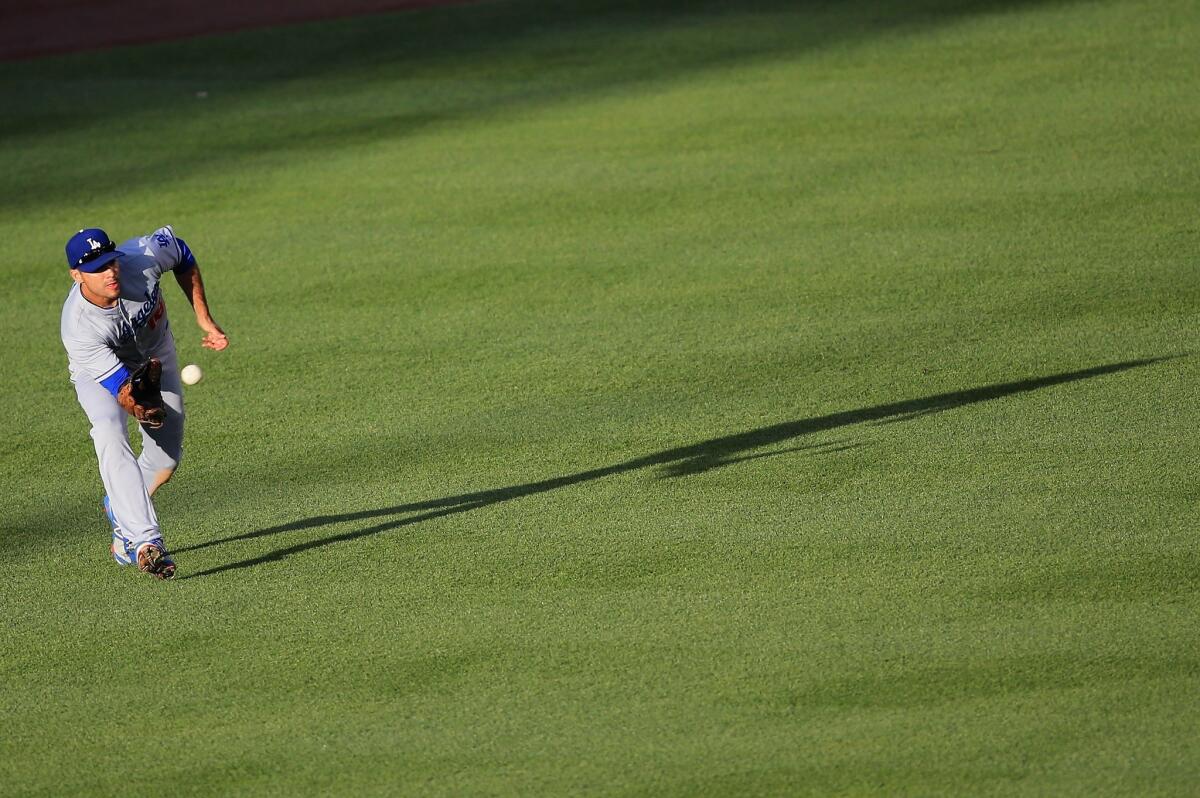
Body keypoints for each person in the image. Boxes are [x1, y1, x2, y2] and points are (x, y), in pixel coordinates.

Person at [60, 225, 228, 580]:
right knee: (108, 431)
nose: (110, 273)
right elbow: (123, 390)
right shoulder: (79, 327)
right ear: (76, 275)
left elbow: (182, 253)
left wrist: (203, 317)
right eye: (97, 269)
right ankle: (145, 541)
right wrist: (142, 408)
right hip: (101, 375)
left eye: (111, 263)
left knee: (165, 460)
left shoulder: (144, 257)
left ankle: (120, 510)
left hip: (157, 356)